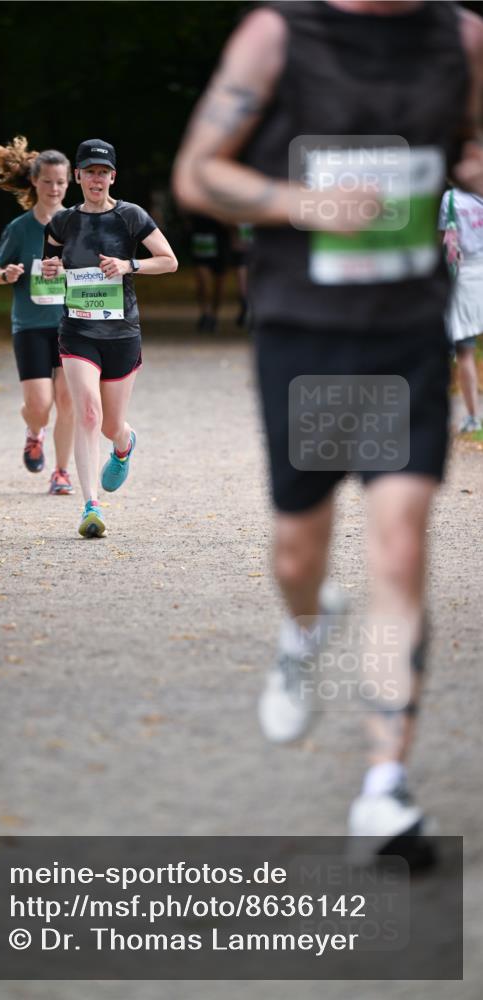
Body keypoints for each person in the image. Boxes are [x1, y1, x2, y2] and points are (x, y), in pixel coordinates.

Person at [174, 0, 483, 853]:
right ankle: (304, 627)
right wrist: (299, 202)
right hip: (303, 330)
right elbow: (199, 174)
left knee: (399, 543)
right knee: (296, 553)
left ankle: (384, 787)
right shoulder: (277, 35)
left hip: (406, 331)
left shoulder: (460, 38)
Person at [42, 139, 178, 538]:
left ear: (112, 177)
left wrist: (128, 264)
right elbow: (50, 265)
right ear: (78, 176)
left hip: (121, 333)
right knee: (87, 412)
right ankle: (91, 505)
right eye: (90, 172)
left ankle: (124, 444)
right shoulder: (62, 222)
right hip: (78, 330)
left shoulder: (130, 216)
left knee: (110, 425)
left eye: (104, 172)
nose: (96, 179)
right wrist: (50, 269)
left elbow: (169, 261)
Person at [0, 138, 75, 494]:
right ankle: (34, 430)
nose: (54, 189)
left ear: (69, 183)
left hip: (73, 324)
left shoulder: (78, 223)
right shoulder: (20, 228)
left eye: (61, 182)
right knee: (40, 405)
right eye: (48, 181)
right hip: (31, 326)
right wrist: (5, 275)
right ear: (34, 183)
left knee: (68, 400)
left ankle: (62, 472)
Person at [439, 187, 483, 433]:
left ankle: (473, 416)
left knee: (464, 351)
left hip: (465, 277)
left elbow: (447, 241)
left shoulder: (451, 198)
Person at [188, 213, 229, 331]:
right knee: (202, 281)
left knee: (219, 284)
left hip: (221, 241)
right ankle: (205, 314)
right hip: (201, 236)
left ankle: (214, 315)